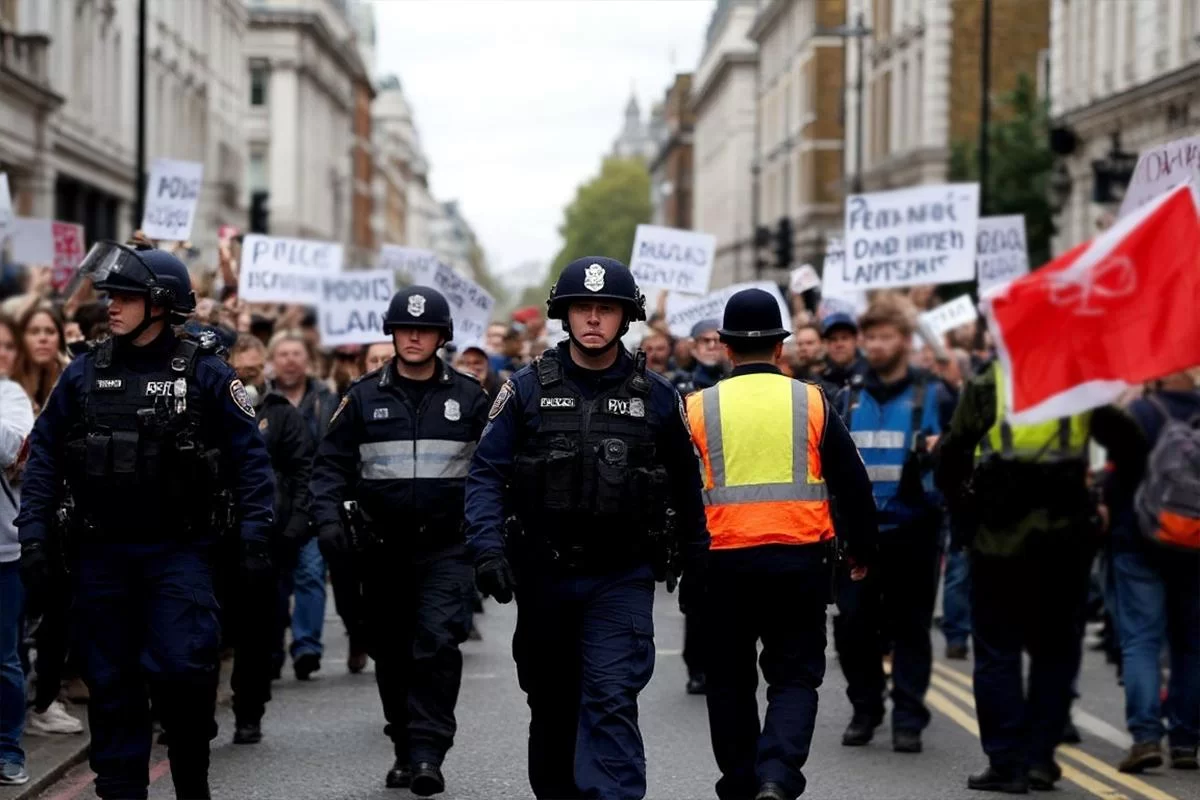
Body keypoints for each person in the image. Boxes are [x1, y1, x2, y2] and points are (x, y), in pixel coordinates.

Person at [15, 240, 276, 800]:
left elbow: (252, 464)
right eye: (110, 294)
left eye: (125, 296)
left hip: (178, 554)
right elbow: (44, 462)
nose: (111, 305)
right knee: (110, 686)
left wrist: (256, 542)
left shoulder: (207, 374)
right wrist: (33, 538)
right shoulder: (83, 374)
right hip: (100, 555)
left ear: (160, 304)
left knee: (184, 673)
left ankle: (191, 779)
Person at [464, 257, 708, 800]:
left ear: (625, 319)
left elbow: (689, 488)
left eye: (606, 309)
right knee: (551, 702)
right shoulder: (525, 390)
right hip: (543, 573)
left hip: (621, 574)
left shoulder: (660, 398)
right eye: (583, 309)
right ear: (565, 316)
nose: (593, 319)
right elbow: (485, 474)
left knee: (610, 694)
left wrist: (699, 563)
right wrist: (486, 550)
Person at [687, 289, 877, 800]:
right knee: (794, 678)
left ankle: (740, 780)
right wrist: (862, 551)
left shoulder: (698, 407)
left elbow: (678, 492)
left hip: (721, 563)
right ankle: (777, 775)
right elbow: (852, 482)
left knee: (728, 682)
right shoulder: (811, 400)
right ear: (779, 348)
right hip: (799, 561)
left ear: (726, 348)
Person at [311, 286, 489, 796]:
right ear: (392, 332)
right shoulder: (364, 396)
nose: (414, 336)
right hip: (381, 550)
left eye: (425, 328)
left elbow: (495, 470)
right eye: (406, 328)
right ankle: (404, 747)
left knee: (437, 643)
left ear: (441, 336)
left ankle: (430, 751)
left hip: (447, 548)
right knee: (391, 652)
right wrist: (326, 521)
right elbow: (329, 469)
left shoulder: (469, 397)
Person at [936, 358, 1142, 792]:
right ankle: (1038, 758)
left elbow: (952, 455)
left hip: (998, 542)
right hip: (1064, 542)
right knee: (1056, 652)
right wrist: (1108, 501)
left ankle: (1006, 762)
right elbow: (1131, 445)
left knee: (996, 655)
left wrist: (964, 514)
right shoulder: (1076, 379)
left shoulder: (988, 382)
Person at [832, 297, 951, 755]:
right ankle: (866, 708)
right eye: (871, 337)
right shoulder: (849, 395)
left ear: (904, 340)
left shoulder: (932, 395)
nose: (876, 346)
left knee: (911, 628)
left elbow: (958, 459)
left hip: (914, 532)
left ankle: (908, 716)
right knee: (854, 626)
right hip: (860, 532)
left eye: (886, 337)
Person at [1102, 369, 1200, 773]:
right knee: (1191, 645)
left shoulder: (1139, 412)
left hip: (1138, 541)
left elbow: (1114, 481)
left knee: (1141, 640)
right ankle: (1186, 741)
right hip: (1195, 544)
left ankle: (1145, 736)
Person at [226, 335, 315, 746]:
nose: (247, 378)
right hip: (214, 538)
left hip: (267, 540)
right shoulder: (212, 410)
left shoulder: (281, 415)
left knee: (257, 632)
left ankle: (249, 711)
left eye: (253, 370)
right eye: (239, 371)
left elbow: (302, 472)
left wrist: (296, 524)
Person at [267, 330, 339, 678]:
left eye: (296, 353)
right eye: (283, 354)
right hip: (275, 506)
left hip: (315, 500)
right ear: (273, 360)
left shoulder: (326, 400)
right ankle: (271, 650)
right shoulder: (259, 401)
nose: (290, 360)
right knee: (276, 582)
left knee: (311, 573)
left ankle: (307, 646)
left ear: (307, 360)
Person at [0, 377, 35, 786]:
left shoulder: (8, 394)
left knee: (3, 658)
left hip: (4, 555)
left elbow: (17, 451)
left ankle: (8, 748)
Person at [818, 312, 866, 397]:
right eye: (833, 339)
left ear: (855, 341)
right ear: (826, 344)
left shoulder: (871, 374)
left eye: (844, 338)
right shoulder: (821, 379)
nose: (839, 344)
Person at [688, 319, 728, 391]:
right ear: (693, 346)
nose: (711, 346)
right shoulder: (681, 381)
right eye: (705, 341)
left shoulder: (737, 374)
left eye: (717, 340)